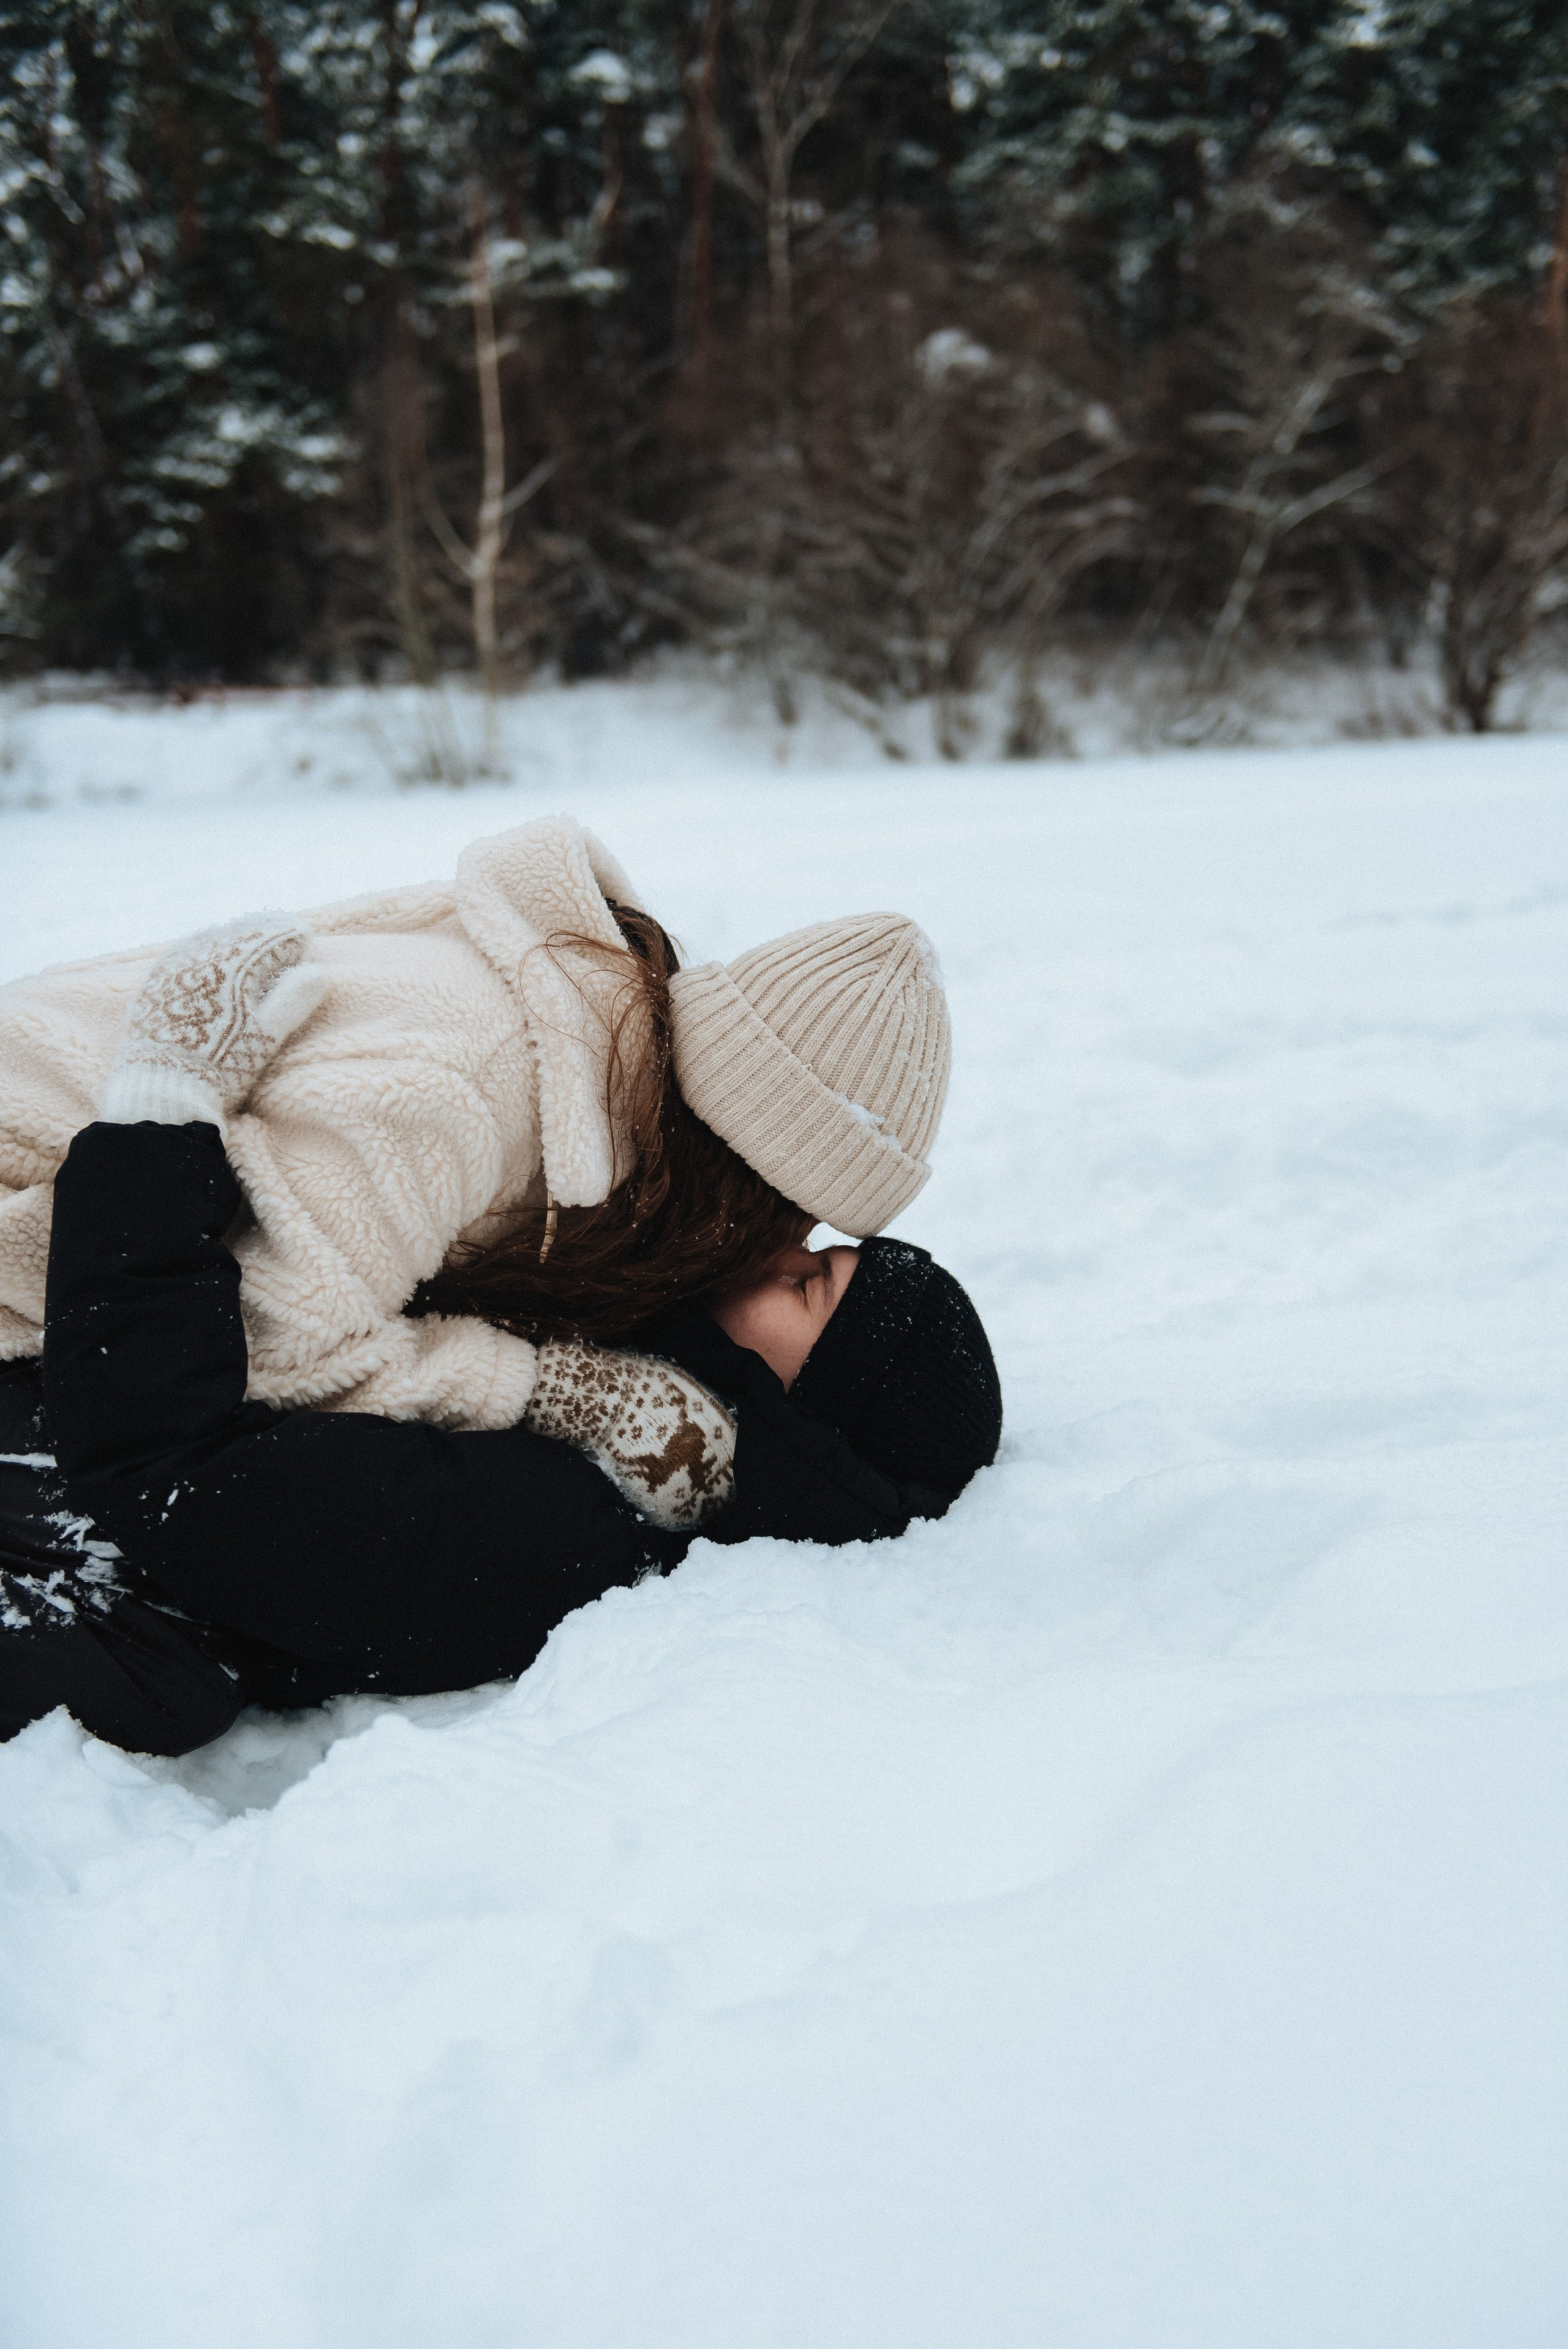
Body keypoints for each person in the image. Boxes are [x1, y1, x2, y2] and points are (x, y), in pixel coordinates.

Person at [0, 1111, 1001, 1755]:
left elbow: (175, 1479)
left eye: (810, 1286)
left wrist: (153, 1136)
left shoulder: (569, 1528)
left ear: (807, 1412)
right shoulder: (627, 1388)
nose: (783, 1253)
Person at [0, 816, 954, 1438]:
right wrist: (542, 1391)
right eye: (791, 1224)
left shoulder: (584, 1072)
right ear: (742, 1166)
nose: (780, 1255)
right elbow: (250, 1351)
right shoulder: (471, 1083)